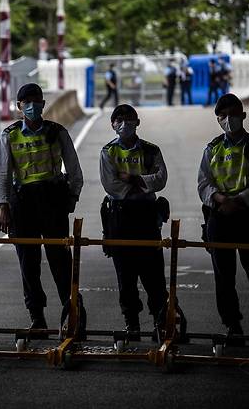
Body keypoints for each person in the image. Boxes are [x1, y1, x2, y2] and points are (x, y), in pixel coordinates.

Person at [0, 82, 84, 331]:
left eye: (36, 101)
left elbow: (74, 169)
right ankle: (37, 316)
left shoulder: (57, 132)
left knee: (60, 259)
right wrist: (3, 207)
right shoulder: (9, 135)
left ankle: (72, 311)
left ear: (43, 104)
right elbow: (2, 173)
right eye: (27, 102)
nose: (32, 106)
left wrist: (71, 197)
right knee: (28, 262)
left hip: (52, 200)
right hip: (22, 204)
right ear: (19, 106)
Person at [197, 93, 249, 344]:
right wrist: (220, 200)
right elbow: (203, 184)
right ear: (218, 119)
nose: (228, 120)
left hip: (247, 217)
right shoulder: (212, 148)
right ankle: (232, 325)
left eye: (233, 115)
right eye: (223, 116)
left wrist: (238, 201)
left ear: (243, 116)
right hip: (219, 217)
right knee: (223, 275)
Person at [100, 104, 169, 339]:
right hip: (120, 217)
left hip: (147, 217)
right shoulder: (108, 152)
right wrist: (142, 185)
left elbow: (160, 180)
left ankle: (160, 320)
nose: (124, 123)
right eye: (119, 119)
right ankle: (132, 323)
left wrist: (131, 178)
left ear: (138, 122)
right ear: (113, 124)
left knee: (153, 273)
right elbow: (111, 185)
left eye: (129, 119)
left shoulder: (151, 150)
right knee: (125, 275)